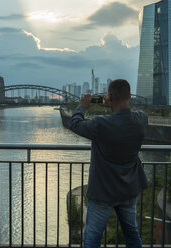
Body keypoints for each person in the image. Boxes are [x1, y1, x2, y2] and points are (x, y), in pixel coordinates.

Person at [69, 79, 148, 248]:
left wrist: (82, 106)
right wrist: (113, 105)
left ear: (109, 97)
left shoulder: (101, 124)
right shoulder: (142, 119)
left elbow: (75, 124)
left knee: (93, 236)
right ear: (129, 96)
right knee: (131, 232)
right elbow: (128, 115)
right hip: (128, 188)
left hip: (103, 191)